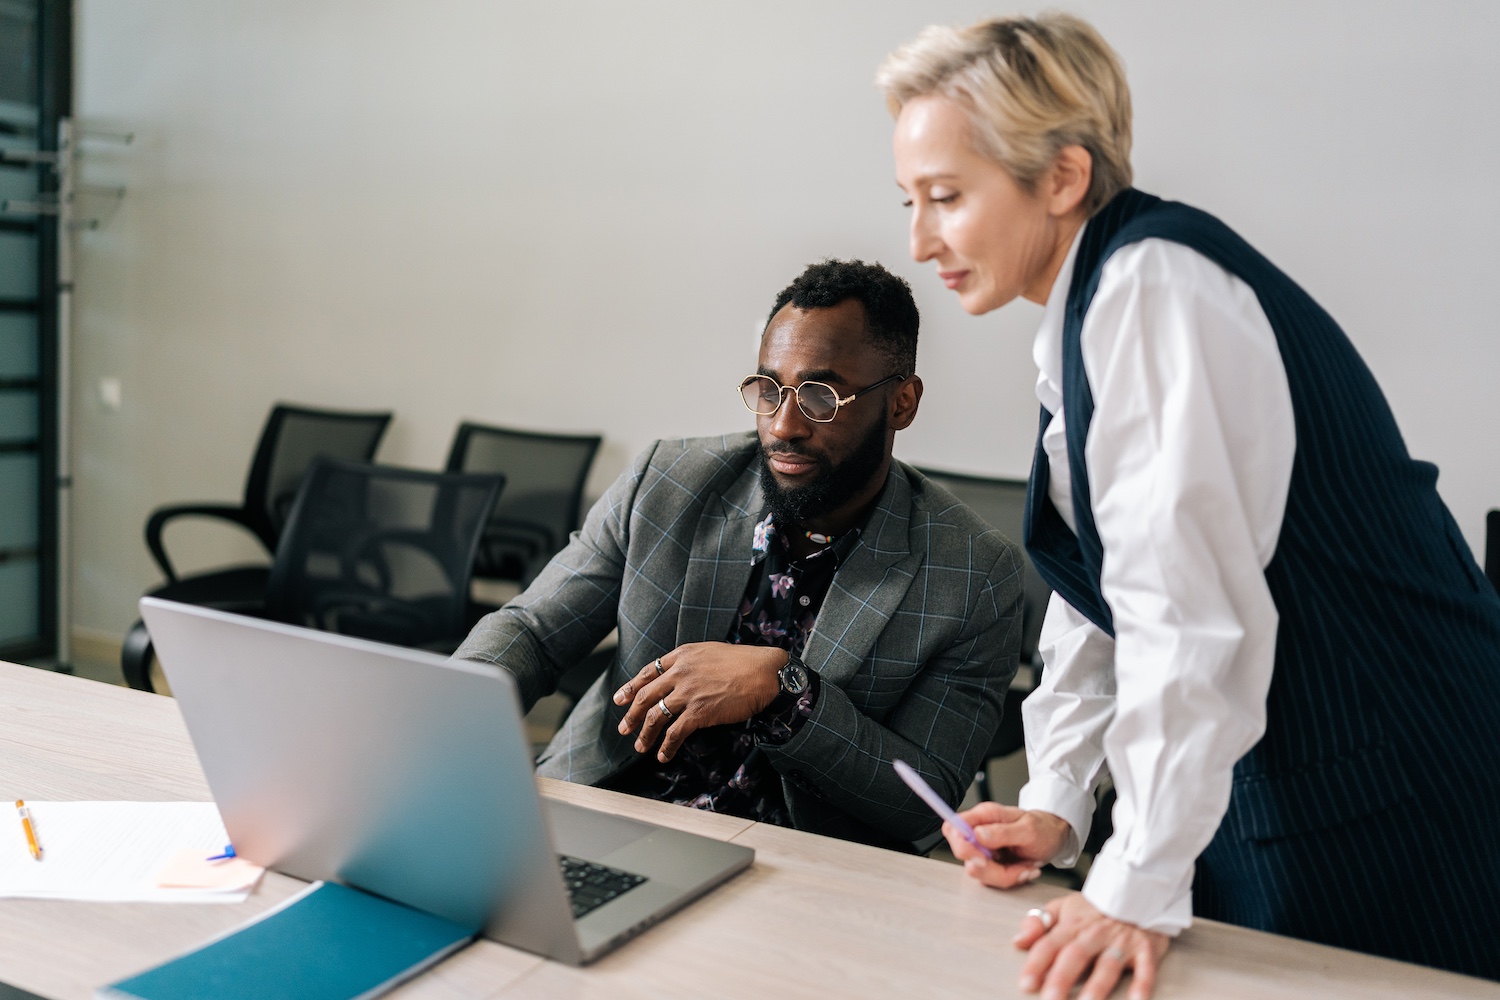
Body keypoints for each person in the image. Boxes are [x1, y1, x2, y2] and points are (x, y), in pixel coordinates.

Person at [877, 12, 1500, 997]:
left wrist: (1131, 883)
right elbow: (1102, 598)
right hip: (1283, 779)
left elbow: (1187, 621)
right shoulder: (1088, 320)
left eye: (945, 197)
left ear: (1064, 177)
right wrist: (1057, 801)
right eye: (911, 200)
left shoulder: (1154, 291)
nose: (919, 240)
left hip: (1392, 777)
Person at [455, 259, 1024, 848]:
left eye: (819, 397)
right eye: (768, 389)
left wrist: (788, 693)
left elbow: (921, 803)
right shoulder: (668, 483)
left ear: (901, 403)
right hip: (607, 813)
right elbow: (534, 632)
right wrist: (447, 710)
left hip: (793, 866)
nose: (783, 425)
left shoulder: (975, 574)